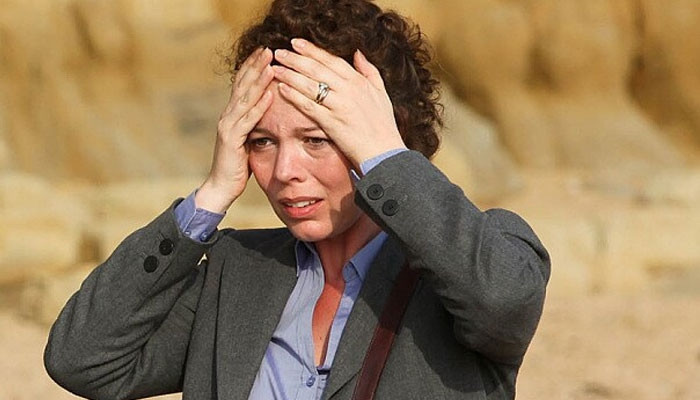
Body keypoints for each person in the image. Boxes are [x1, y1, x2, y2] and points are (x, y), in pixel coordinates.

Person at [44, 0, 550, 399]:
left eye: (316, 139)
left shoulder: (474, 263)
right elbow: (82, 360)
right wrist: (210, 196)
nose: (285, 171)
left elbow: (505, 302)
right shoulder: (235, 272)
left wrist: (387, 156)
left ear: (376, 135)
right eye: (263, 141)